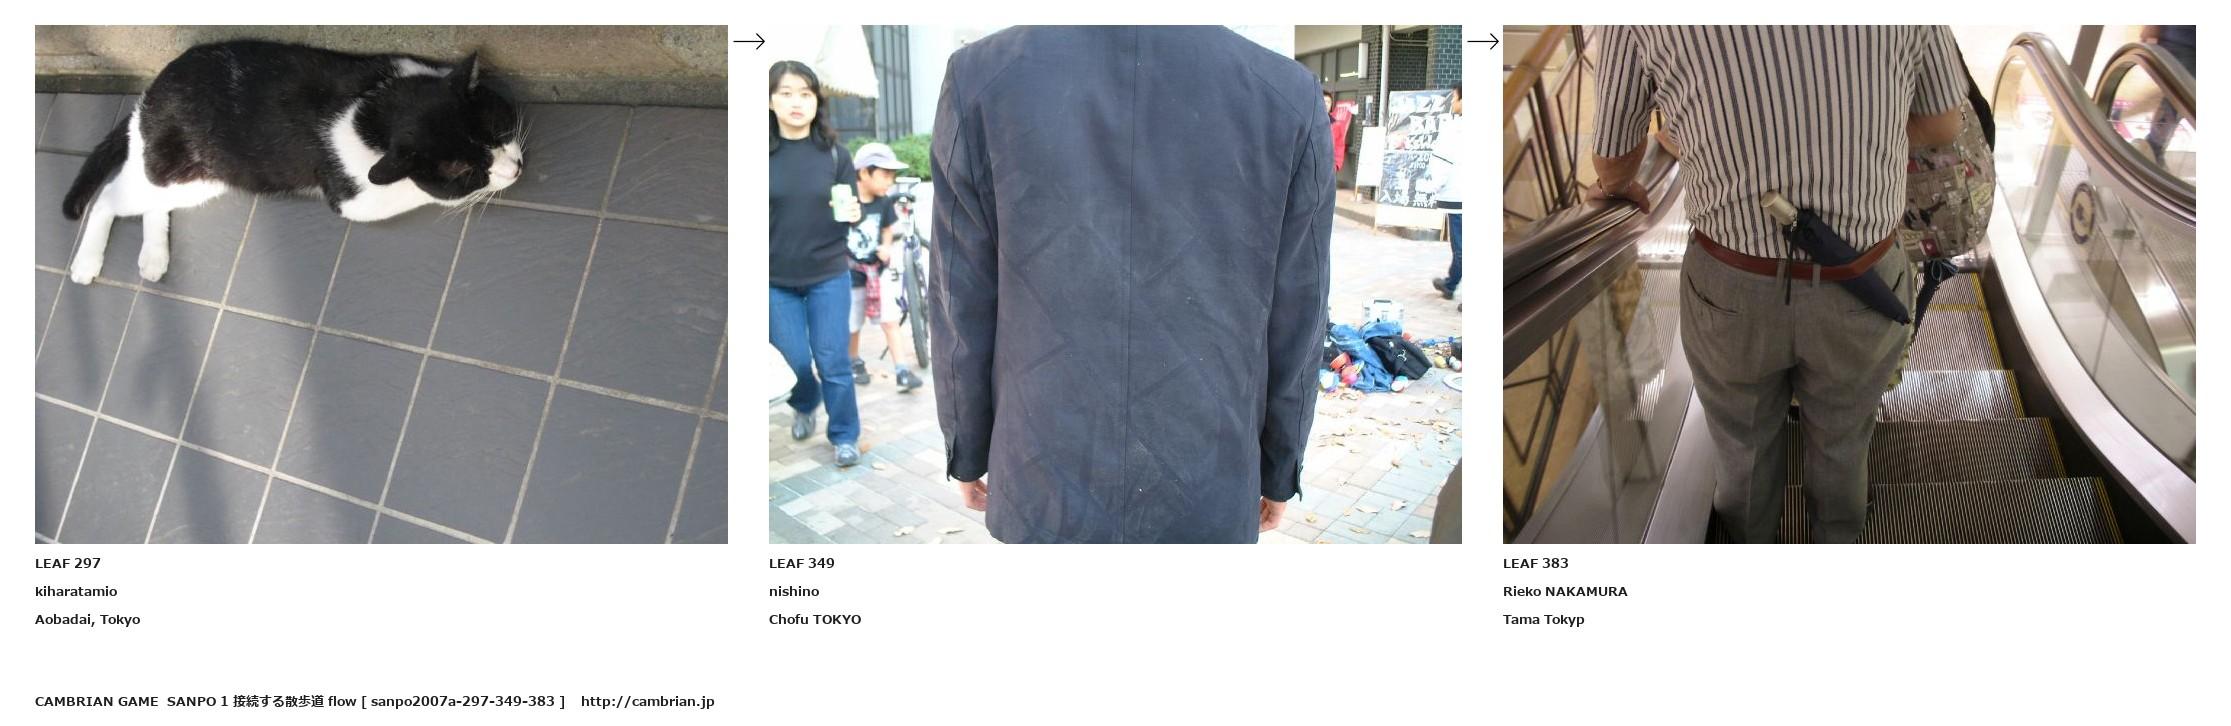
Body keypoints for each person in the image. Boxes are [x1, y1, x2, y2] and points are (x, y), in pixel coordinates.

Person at [930, 26, 1334, 543]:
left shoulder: (981, 77)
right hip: (1209, 469)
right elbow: (1300, 313)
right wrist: (1280, 464)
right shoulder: (1286, 92)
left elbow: (959, 297)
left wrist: (967, 446)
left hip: (1040, 467)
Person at [1588, 26, 1969, 543]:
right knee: (1843, 446)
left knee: (1742, 453)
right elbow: (1943, 123)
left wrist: (1643, 169)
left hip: (1730, 289)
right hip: (1862, 282)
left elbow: (1613, 158)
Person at [768, 60, 863, 468]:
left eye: (805, 94)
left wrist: (854, 212)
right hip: (773, 278)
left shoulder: (835, 155)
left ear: (816, 101)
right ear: (770, 101)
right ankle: (806, 402)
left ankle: (844, 435)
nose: (796, 102)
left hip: (828, 273)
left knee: (833, 360)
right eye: (786, 93)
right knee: (794, 360)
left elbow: (848, 208)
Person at [843, 142, 924, 391]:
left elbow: (887, 229)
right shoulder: (846, 200)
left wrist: (886, 247)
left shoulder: (885, 202)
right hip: (851, 273)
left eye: (893, 176)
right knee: (853, 323)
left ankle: (902, 370)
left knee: (890, 320)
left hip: (878, 271)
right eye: (885, 175)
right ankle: (854, 361)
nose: (890, 181)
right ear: (864, 172)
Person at [1429, 83, 1463, 300]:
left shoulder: (1455, 128)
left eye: (1455, 97)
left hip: (1458, 195)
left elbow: (1443, 163)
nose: (1452, 102)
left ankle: (1452, 285)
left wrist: (1432, 186)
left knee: (1461, 247)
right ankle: (1451, 283)